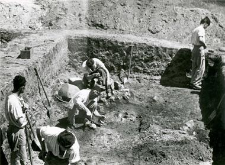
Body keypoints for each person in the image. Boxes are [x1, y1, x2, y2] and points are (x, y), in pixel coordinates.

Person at [5, 75, 28, 165]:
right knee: (22, 158)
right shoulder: (14, 102)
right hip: (17, 131)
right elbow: (21, 121)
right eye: (24, 87)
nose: (25, 89)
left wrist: (22, 106)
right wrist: (24, 111)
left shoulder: (10, 97)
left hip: (13, 128)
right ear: (22, 87)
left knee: (15, 155)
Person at [190, 16, 211, 90]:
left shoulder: (195, 29)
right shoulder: (201, 29)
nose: (206, 27)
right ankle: (196, 83)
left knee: (194, 66)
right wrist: (205, 45)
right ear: (205, 23)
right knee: (201, 67)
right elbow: (200, 39)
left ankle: (192, 82)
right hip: (199, 49)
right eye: (207, 26)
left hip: (194, 48)